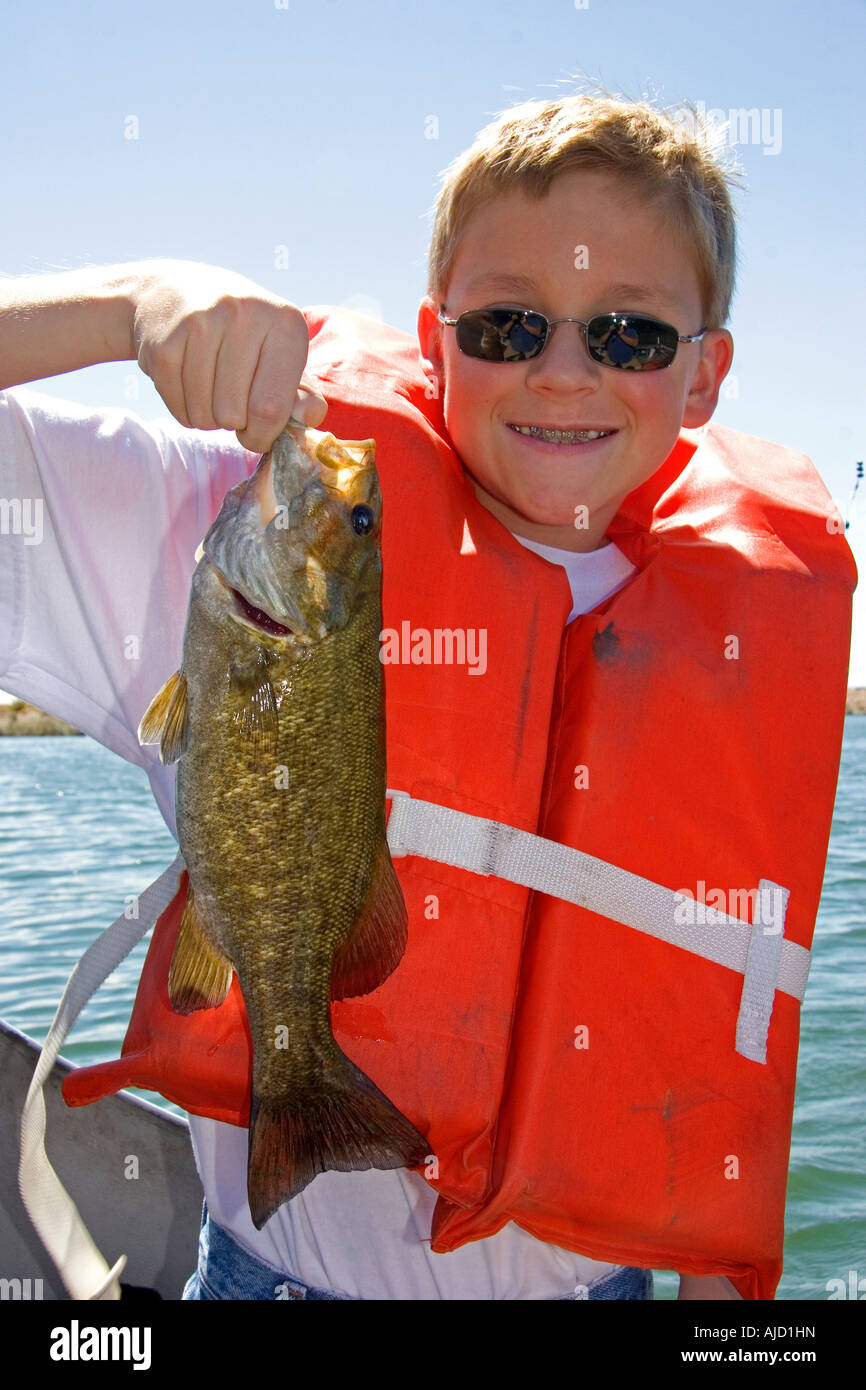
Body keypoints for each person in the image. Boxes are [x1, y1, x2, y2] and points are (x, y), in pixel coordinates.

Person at [0, 90, 853, 1302]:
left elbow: (719, 1042)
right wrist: (130, 303)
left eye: (627, 337)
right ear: (433, 331)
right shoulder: (217, 533)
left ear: (705, 374)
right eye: (506, 326)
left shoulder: (734, 650)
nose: (562, 372)